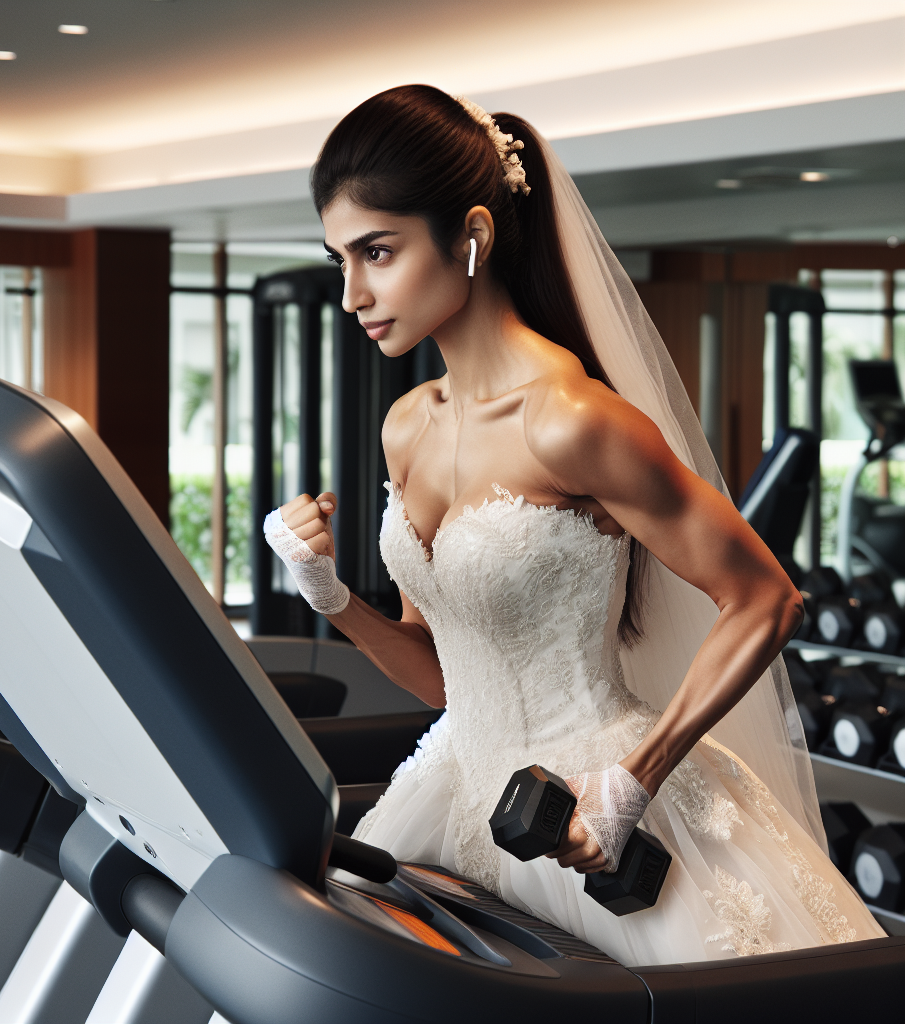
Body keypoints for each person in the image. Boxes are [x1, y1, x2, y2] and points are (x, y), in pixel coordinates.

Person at [263, 84, 883, 965]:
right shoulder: (408, 426)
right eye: (340, 260)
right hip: (452, 793)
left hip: (590, 793)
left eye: (378, 251)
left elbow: (765, 599)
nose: (353, 292)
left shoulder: (571, 420)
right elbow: (442, 678)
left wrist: (634, 780)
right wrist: (331, 597)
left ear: (472, 236)